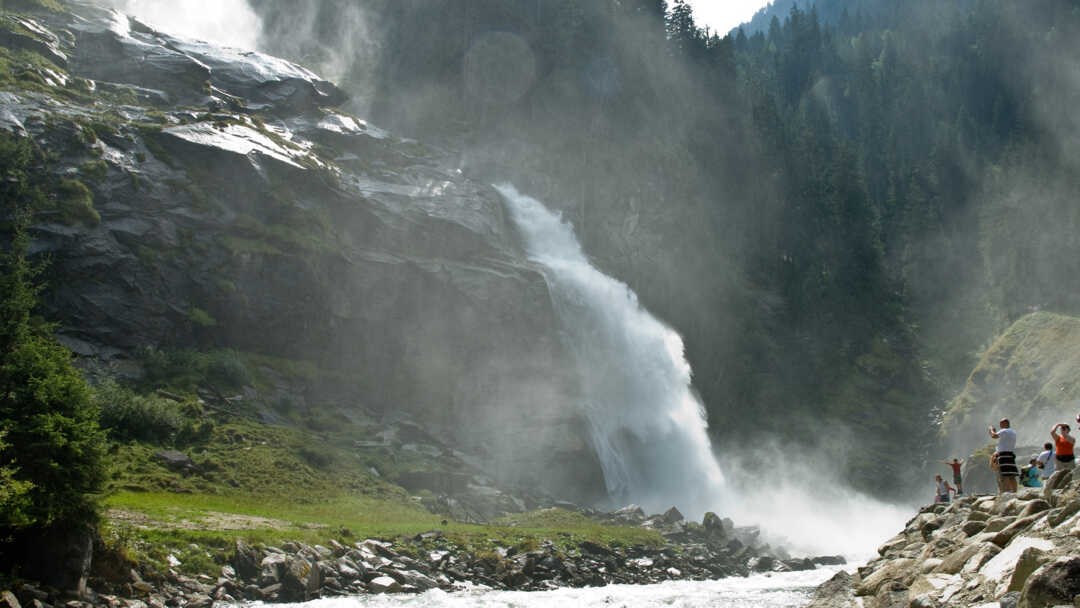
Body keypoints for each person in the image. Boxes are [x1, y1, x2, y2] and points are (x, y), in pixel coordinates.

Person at [989, 418, 1019, 493]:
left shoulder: (1004, 431)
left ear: (1005, 423)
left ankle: (1006, 492)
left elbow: (994, 436)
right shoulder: (1013, 432)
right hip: (1010, 454)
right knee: (1012, 475)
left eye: (1001, 423)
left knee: (1004, 474)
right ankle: (1015, 491)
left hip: (1003, 455)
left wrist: (991, 430)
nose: (1000, 425)